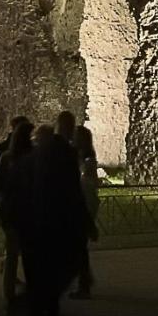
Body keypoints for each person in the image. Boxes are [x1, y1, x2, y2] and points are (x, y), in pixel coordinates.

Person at [22, 117, 86, 316]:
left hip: (39, 217)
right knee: (59, 269)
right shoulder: (67, 153)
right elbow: (73, 191)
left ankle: (40, 314)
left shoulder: (39, 152)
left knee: (45, 270)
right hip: (58, 219)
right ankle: (45, 314)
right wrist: (84, 219)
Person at [0, 117, 36, 311]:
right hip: (26, 210)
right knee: (28, 253)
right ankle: (32, 291)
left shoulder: (7, 158)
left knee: (11, 254)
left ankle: (9, 293)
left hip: (8, 209)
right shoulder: (32, 158)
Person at [56, 110, 98, 300]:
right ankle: (84, 280)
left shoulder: (84, 158)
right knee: (78, 246)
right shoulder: (80, 155)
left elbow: (84, 183)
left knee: (77, 247)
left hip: (82, 204)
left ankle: (82, 282)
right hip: (82, 203)